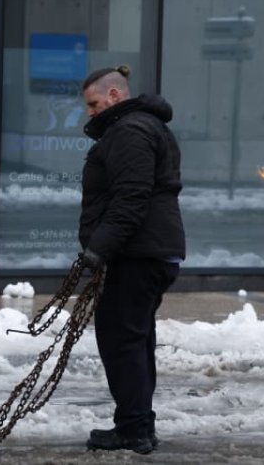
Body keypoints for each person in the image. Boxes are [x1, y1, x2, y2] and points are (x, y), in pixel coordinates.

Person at [77, 65, 185, 455]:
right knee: (134, 340)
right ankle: (137, 425)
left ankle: (134, 430)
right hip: (145, 251)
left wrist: (98, 248)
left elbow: (131, 197)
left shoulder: (131, 131)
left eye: (94, 104)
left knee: (122, 341)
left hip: (137, 254)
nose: (90, 112)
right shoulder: (140, 127)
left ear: (115, 95)